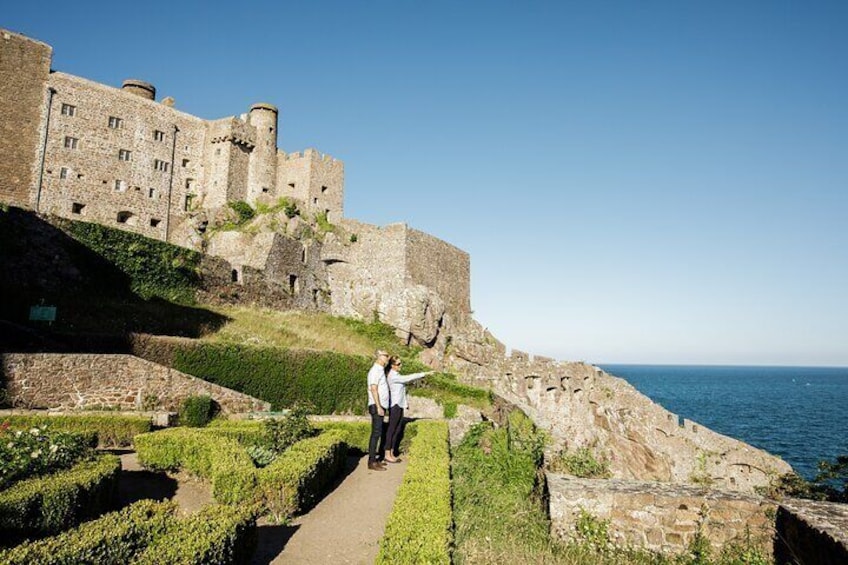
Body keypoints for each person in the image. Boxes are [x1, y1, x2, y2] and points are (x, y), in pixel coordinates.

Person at [383, 356, 433, 463]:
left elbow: (402, 392)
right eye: (398, 364)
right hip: (395, 405)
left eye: (400, 363)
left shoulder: (397, 375)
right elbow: (408, 378)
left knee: (397, 429)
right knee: (392, 429)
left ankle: (391, 452)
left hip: (400, 405)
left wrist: (405, 404)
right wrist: (424, 374)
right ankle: (387, 454)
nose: (401, 366)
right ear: (392, 366)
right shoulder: (393, 376)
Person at [367, 349, 391, 471]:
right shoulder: (375, 370)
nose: (387, 358)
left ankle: (376, 460)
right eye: (386, 355)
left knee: (378, 433)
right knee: (376, 434)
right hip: (377, 406)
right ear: (379, 356)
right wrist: (378, 406)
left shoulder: (380, 370)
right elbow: (373, 388)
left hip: (380, 406)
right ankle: (371, 462)